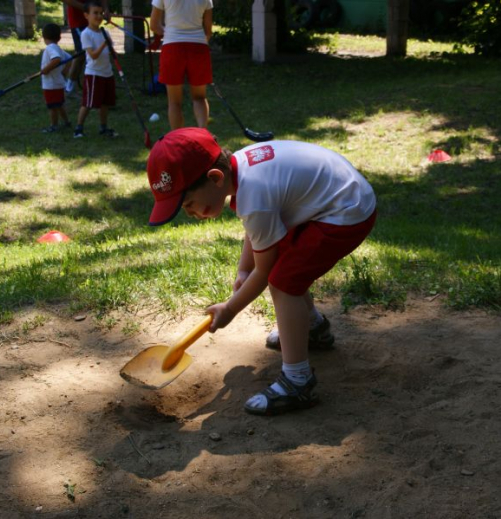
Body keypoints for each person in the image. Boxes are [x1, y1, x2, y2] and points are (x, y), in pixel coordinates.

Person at [146, 129, 377, 415]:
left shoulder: (255, 194)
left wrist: (230, 308)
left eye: (189, 205)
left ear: (215, 179)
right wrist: (244, 269)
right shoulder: (242, 171)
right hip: (333, 198)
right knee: (285, 269)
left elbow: (266, 272)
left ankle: (297, 382)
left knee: (282, 282)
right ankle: (313, 328)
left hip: (346, 212)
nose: (191, 214)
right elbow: (258, 234)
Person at [150, 0, 213, 130]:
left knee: (174, 102)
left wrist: (168, 33)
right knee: (200, 97)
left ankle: (178, 140)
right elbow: (208, 30)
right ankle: (203, 134)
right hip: (198, 47)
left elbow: (154, 25)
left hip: (172, 47)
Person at [73, 2, 117, 139]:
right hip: (94, 74)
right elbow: (93, 55)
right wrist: (105, 43)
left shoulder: (105, 32)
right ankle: (78, 128)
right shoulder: (86, 34)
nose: (99, 16)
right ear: (86, 15)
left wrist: (112, 50)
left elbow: (111, 51)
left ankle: (103, 127)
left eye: (100, 13)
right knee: (88, 103)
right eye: (95, 13)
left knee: (105, 103)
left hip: (107, 72)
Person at [60, 0, 109, 95]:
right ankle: (70, 86)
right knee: (81, 54)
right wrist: (88, 8)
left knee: (93, 53)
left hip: (93, 19)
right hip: (78, 21)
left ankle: (99, 87)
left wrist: (106, 9)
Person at [40, 23, 72, 133]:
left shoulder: (50, 48)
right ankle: (66, 122)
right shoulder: (58, 48)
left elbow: (56, 59)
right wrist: (64, 72)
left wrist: (46, 69)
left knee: (52, 107)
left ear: (44, 37)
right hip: (58, 82)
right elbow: (69, 59)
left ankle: (53, 126)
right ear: (59, 37)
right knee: (60, 104)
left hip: (51, 85)